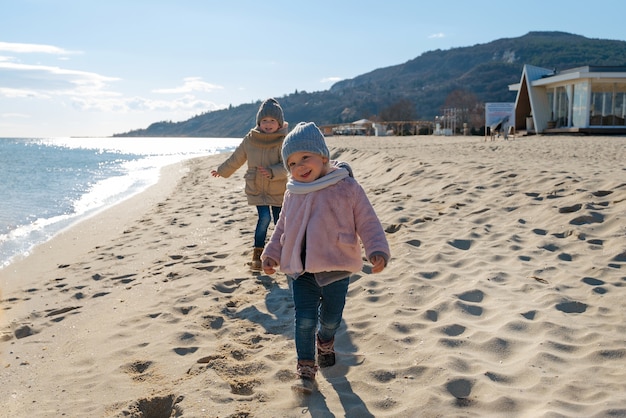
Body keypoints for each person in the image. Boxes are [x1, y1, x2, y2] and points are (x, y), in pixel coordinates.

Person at [261, 122, 391, 394]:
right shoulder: (292, 191)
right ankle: (306, 368)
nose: (299, 166)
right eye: (292, 162)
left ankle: (326, 340)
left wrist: (376, 248)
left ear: (323, 157)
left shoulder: (346, 187)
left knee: (331, 318)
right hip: (300, 270)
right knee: (305, 319)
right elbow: (282, 226)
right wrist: (271, 254)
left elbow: (367, 221)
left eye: (305, 157)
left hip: (336, 268)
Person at [211, 98, 288, 271]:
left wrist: (272, 172)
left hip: (277, 188)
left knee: (279, 222)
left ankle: (282, 253)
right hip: (256, 187)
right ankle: (257, 255)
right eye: (264, 120)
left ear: (279, 123)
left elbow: (289, 165)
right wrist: (222, 170)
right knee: (264, 218)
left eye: (272, 121)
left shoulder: (283, 140)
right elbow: (237, 158)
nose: (268, 124)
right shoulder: (250, 139)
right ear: (259, 122)